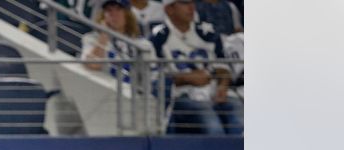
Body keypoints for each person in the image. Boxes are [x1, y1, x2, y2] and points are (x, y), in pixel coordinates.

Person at [151, 0, 241, 135]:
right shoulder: (158, 38)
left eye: (192, 3)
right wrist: (186, 78)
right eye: (184, 3)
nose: (191, 7)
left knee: (242, 119)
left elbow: (222, 64)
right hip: (182, 95)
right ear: (169, 9)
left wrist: (223, 85)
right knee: (213, 125)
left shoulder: (207, 31)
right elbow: (154, 79)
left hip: (214, 91)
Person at [83, 0, 151, 80]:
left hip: (134, 90)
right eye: (108, 10)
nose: (113, 14)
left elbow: (150, 76)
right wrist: (104, 35)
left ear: (127, 14)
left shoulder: (143, 44)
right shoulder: (91, 38)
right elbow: (93, 65)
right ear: (103, 15)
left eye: (118, 9)